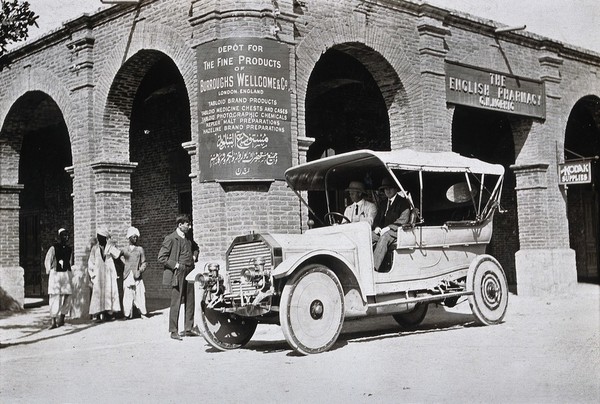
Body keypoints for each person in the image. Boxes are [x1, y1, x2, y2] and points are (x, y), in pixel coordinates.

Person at [158, 214, 200, 340]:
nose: (189, 226)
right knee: (176, 301)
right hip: (178, 271)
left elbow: (196, 248)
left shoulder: (188, 238)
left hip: (190, 271)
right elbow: (161, 257)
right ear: (180, 225)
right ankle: (173, 330)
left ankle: (188, 328)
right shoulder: (170, 238)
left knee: (190, 299)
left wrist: (194, 256)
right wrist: (175, 265)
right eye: (187, 224)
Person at [372, 177, 411, 272]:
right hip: (383, 232)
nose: (387, 191)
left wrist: (389, 228)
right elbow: (377, 218)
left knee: (384, 237)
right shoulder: (383, 203)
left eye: (390, 188)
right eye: (385, 189)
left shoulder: (403, 202)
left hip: (397, 232)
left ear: (396, 189)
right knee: (368, 236)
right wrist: (377, 227)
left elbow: (403, 220)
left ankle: (373, 269)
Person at [88, 227, 122, 321]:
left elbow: (118, 254)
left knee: (109, 291)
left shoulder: (110, 248)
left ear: (105, 238)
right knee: (98, 293)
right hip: (98, 274)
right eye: (98, 237)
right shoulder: (95, 249)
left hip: (108, 274)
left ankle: (109, 313)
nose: (99, 239)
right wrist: (93, 275)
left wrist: (111, 245)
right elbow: (91, 262)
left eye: (101, 237)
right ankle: (98, 313)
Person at [44, 228, 73, 329]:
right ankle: (53, 320)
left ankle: (62, 317)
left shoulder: (69, 249)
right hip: (55, 274)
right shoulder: (53, 248)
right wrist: (49, 270)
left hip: (65, 274)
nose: (65, 237)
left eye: (67, 235)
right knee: (55, 296)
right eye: (63, 235)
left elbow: (70, 261)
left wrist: (70, 272)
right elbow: (48, 260)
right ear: (59, 237)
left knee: (68, 295)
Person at [120, 226, 148, 320]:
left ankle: (143, 313)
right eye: (133, 237)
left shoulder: (140, 249)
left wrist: (140, 270)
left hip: (137, 275)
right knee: (127, 294)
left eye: (136, 237)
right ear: (129, 238)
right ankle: (127, 314)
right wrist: (125, 264)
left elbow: (144, 262)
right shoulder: (124, 249)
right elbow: (118, 256)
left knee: (139, 294)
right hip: (127, 275)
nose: (135, 238)